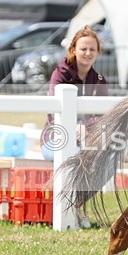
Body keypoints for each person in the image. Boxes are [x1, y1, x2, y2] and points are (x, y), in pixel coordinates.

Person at [41, 26, 109, 161]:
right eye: (83, 49)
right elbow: (54, 114)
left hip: (88, 140)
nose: (88, 53)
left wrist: (84, 126)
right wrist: (73, 128)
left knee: (109, 156)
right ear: (73, 50)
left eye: (92, 49)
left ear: (98, 52)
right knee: (77, 156)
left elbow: (105, 116)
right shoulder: (59, 75)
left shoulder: (100, 81)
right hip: (56, 138)